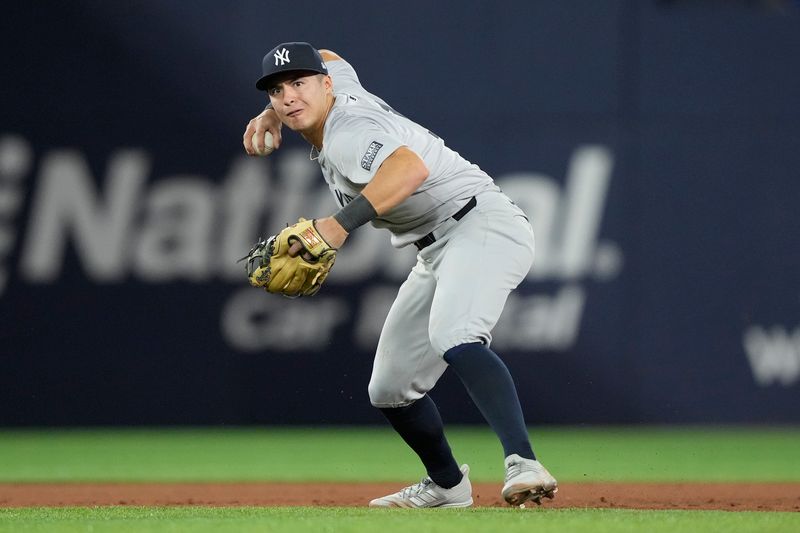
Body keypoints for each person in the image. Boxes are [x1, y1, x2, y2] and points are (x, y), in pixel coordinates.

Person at [243, 42, 557, 508]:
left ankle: (524, 463)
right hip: (435, 250)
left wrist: (336, 226)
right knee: (390, 388)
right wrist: (271, 114)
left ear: (325, 88)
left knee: (456, 334)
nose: (289, 97)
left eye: (299, 85)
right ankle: (448, 487)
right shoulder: (334, 84)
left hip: (480, 222)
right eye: (277, 90)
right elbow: (324, 54)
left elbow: (409, 168)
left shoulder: (347, 132)